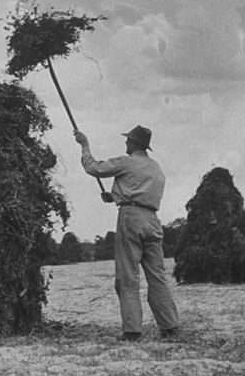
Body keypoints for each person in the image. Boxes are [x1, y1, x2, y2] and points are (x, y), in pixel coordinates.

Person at [73, 124, 179, 342]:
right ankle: (170, 327)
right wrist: (115, 196)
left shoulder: (125, 162)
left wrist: (84, 145)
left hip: (130, 218)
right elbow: (142, 192)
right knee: (157, 276)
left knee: (127, 276)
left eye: (128, 140)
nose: (126, 143)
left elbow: (94, 168)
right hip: (152, 220)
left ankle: (132, 330)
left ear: (134, 143)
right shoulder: (156, 168)